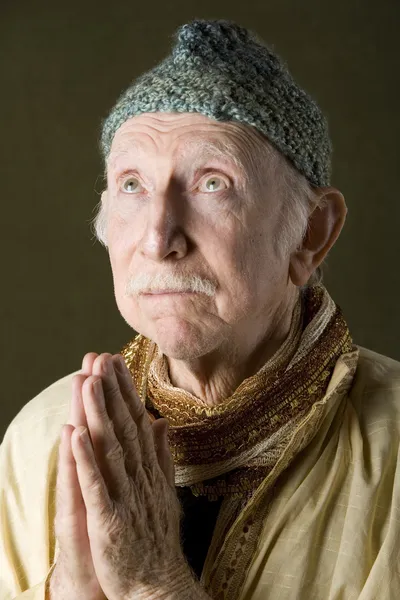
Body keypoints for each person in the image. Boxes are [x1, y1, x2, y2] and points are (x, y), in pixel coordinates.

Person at [1, 18, 399, 600]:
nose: (159, 238)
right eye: (132, 185)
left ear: (311, 233)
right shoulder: (39, 435)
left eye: (213, 183)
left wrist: (154, 586)